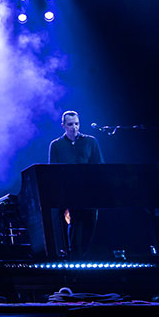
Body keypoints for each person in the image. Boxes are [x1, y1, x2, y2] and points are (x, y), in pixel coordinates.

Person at [48, 110, 103, 258]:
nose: (74, 127)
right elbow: (53, 173)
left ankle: (86, 257)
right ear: (63, 126)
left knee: (90, 225)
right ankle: (74, 258)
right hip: (69, 193)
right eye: (70, 124)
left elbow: (99, 166)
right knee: (74, 226)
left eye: (77, 124)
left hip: (89, 192)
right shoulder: (56, 145)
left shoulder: (90, 141)